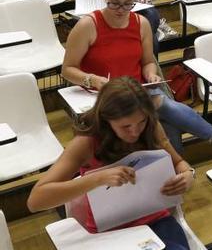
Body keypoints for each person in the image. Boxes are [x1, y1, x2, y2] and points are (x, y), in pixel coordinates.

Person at [60, 0, 212, 151]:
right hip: (101, 96)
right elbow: (68, 70)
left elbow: (148, 61)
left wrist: (151, 74)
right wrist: (93, 80)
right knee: (162, 106)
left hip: (136, 90)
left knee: (165, 120)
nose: (120, 10)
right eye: (114, 3)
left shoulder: (140, 22)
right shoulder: (88, 25)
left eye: (128, 4)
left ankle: (177, 170)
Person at [27, 78, 196, 249]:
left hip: (155, 218)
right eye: (125, 126)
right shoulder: (86, 143)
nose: (135, 131)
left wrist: (188, 174)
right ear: (107, 119)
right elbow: (36, 200)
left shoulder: (151, 127)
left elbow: (179, 163)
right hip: (109, 229)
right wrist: (98, 179)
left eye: (141, 122)